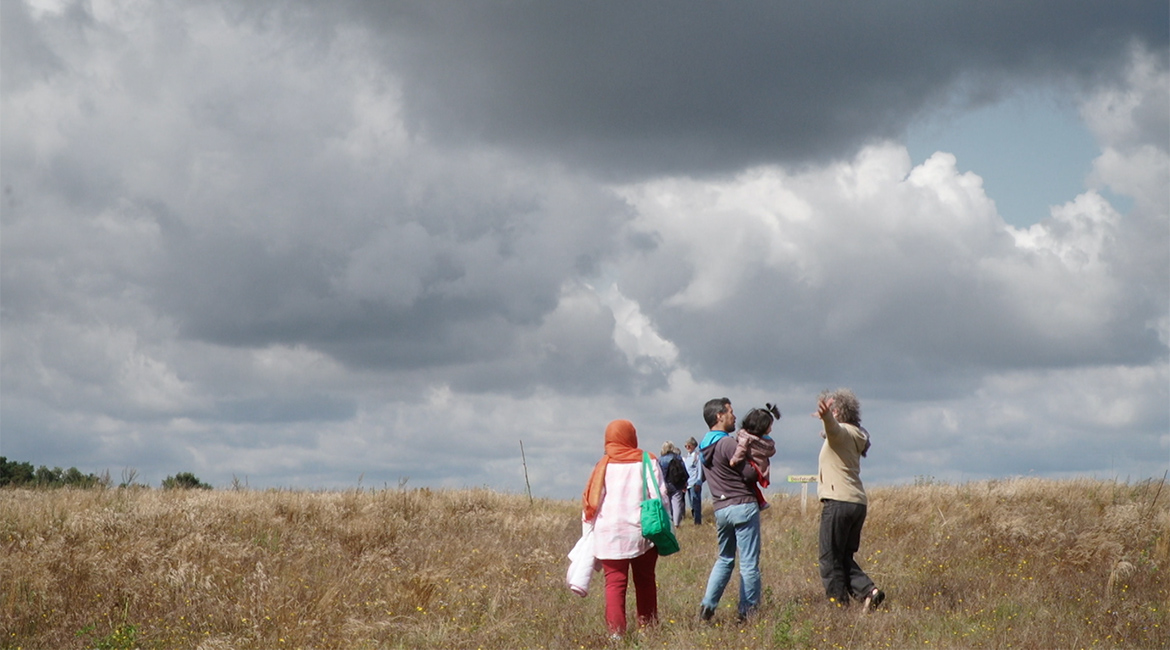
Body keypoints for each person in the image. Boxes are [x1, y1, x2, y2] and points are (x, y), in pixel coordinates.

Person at [582, 419, 667, 637]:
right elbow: (660, 496)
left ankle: (616, 635)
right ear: (632, 437)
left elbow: (592, 501)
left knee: (614, 584)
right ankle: (648, 631)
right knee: (645, 581)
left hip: (609, 534)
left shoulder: (603, 465)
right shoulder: (647, 461)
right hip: (643, 532)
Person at [697, 398, 770, 623]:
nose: (734, 417)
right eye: (730, 412)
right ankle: (747, 613)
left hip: (721, 509)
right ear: (719, 416)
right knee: (748, 563)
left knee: (725, 559)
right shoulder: (727, 444)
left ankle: (708, 606)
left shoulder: (704, 447)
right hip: (742, 505)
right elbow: (748, 474)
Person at [814, 389, 884, 611]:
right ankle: (869, 592)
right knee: (843, 556)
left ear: (837, 411)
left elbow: (834, 429)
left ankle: (838, 608)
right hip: (856, 503)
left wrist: (826, 417)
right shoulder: (857, 434)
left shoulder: (841, 433)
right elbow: (833, 431)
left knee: (829, 558)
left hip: (837, 501)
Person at [729, 403, 780, 510]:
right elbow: (771, 451)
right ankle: (761, 501)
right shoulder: (766, 442)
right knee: (753, 487)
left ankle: (761, 501)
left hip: (752, 465)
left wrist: (734, 460)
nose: (770, 429)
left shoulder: (745, 436)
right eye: (769, 426)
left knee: (751, 486)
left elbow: (741, 449)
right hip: (759, 467)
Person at [658, 442, 688, 526]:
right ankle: (676, 523)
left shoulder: (660, 459)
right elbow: (684, 471)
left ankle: (669, 522)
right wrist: (685, 482)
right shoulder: (677, 458)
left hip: (665, 484)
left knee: (667, 503)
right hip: (676, 484)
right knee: (677, 503)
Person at [683, 437, 704, 525]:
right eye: (686, 446)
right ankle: (694, 519)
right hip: (688, 483)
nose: (687, 447)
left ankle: (697, 521)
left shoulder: (697, 456)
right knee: (692, 503)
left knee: (696, 503)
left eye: (689, 445)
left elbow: (700, 470)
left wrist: (699, 482)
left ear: (693, 446)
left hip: (695, 483)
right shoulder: (686, 457)